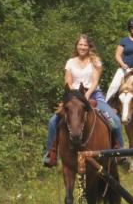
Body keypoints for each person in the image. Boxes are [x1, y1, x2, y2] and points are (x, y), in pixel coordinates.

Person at [43, 34, 124, 167]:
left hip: (92, 94)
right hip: (73, 96)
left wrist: (86, 95)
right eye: (80, 44)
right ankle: (51, 154)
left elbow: (95, 81)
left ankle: (119, 151)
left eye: (85, 45)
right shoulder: (70, 62)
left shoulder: (95, 61)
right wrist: (73, 96)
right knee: (53, 121)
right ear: (77, 46)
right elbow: (68, 82)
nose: (82, 47)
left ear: (89, 47)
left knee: (114, 120)